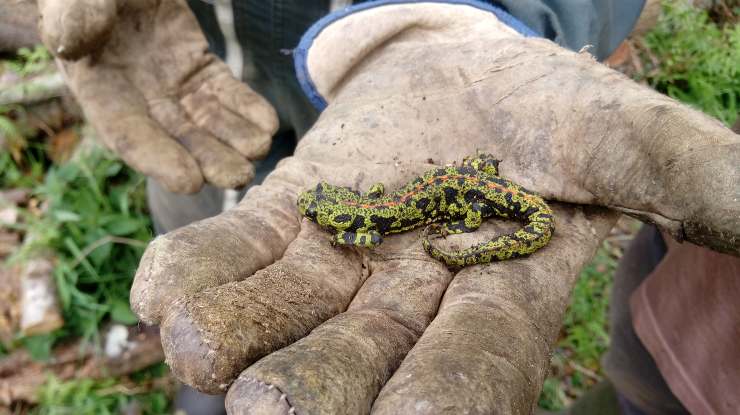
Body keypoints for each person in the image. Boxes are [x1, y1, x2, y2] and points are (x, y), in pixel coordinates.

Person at [37, 0, 739, 414]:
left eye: (339, 221)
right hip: (244, 77)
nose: (334, 223)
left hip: (474, 178)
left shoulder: (371, 222)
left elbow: (376, 223)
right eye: (335, 217)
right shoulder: (364, 209)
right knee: (213, 297)